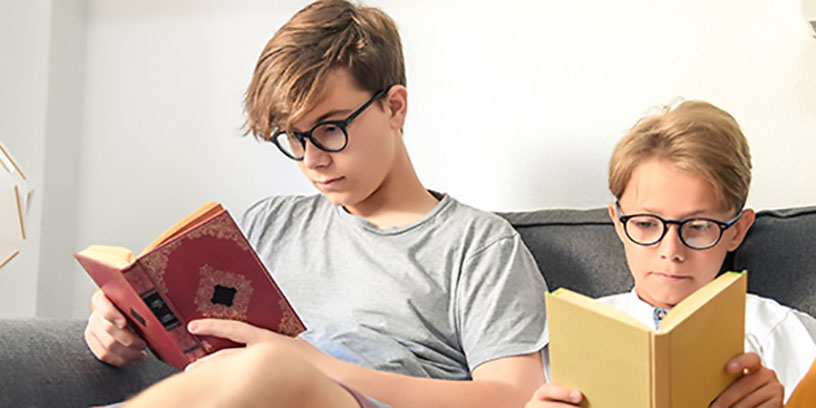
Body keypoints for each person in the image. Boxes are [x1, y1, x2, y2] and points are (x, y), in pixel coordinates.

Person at [84, 1, 549, 407]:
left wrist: (315, 366)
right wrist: (120, 322)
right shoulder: (268, 224)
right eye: (294, 137)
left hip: (343, 396)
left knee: (269, 370)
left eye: (330, 129)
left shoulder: (478, 245)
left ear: (394, 107)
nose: (312, 160)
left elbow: (514, 397)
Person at [526, 101, 816, 408]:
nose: (671, 251)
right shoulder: (572, 338)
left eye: (698, 227)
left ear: (737, 231)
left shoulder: (780, 331)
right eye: (645, 224)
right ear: (618, 222)